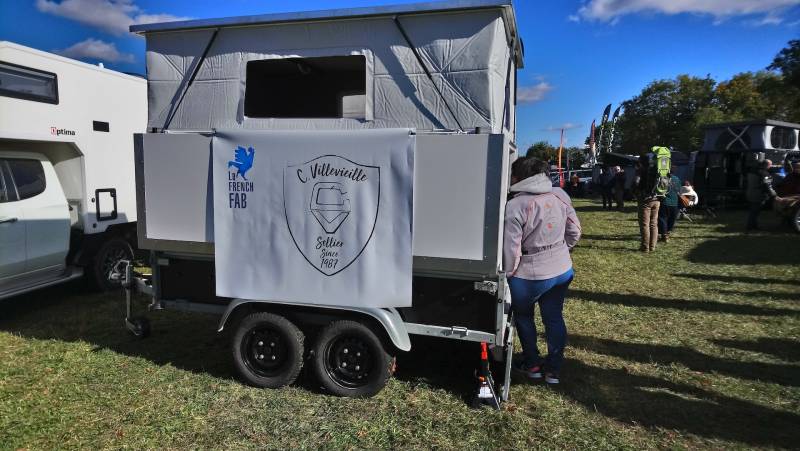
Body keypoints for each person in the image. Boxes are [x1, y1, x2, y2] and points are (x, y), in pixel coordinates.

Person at [504, 157, 581, 385]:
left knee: (525, 319)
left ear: (519, 177)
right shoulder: (560, 195)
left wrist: (509, 273)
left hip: (529, 275)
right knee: (554, 318)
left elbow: (511, 248)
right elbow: (575, 231)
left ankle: (533, 365)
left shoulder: (515, 205)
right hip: (561, 269)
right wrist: (561, 250)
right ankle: (554, 370)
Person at [634, 158, 661, 252]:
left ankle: (645, 247)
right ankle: (652, 246)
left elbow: (636, 182)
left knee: (645, 224)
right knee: (654, 223)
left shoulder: (641, 171)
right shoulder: (657, 169)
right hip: (657, 199)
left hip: (645, 199)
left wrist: (636, 192)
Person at [745, 160, 778, 232]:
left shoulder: (751, 171)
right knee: (755, 211)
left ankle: (753, 225)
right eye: (770, 165)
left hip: (750, 193)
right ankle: (750, 226)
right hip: (758, 195)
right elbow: (768, 186)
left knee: (753, 210)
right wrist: (774, 195)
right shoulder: (765, 174)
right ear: (767, 165)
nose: (771, 166)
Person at [657, 167, 681, 242]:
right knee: (671, 219)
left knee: (663, 218)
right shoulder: (677, 179)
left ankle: (664, 234)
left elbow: (659, 190)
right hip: (674, 203)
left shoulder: (663, 178)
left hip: (665, 202)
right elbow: (679, 190)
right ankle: (667, 233)